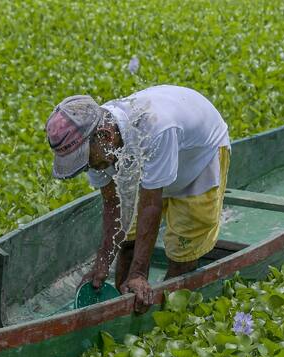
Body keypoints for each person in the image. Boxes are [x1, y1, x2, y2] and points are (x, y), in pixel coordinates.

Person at [45, 85, 230, 313]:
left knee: (183, 247)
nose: (89, 167)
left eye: (86, 160)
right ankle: (125, 308)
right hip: (150, 164)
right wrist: (102, 261)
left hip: (198, 160)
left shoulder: (155, 127)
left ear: (106, 137)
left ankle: (169, 310)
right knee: (127, 241)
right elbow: (113, 204)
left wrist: (139, 274)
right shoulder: (93, 143)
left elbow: (151, 204)